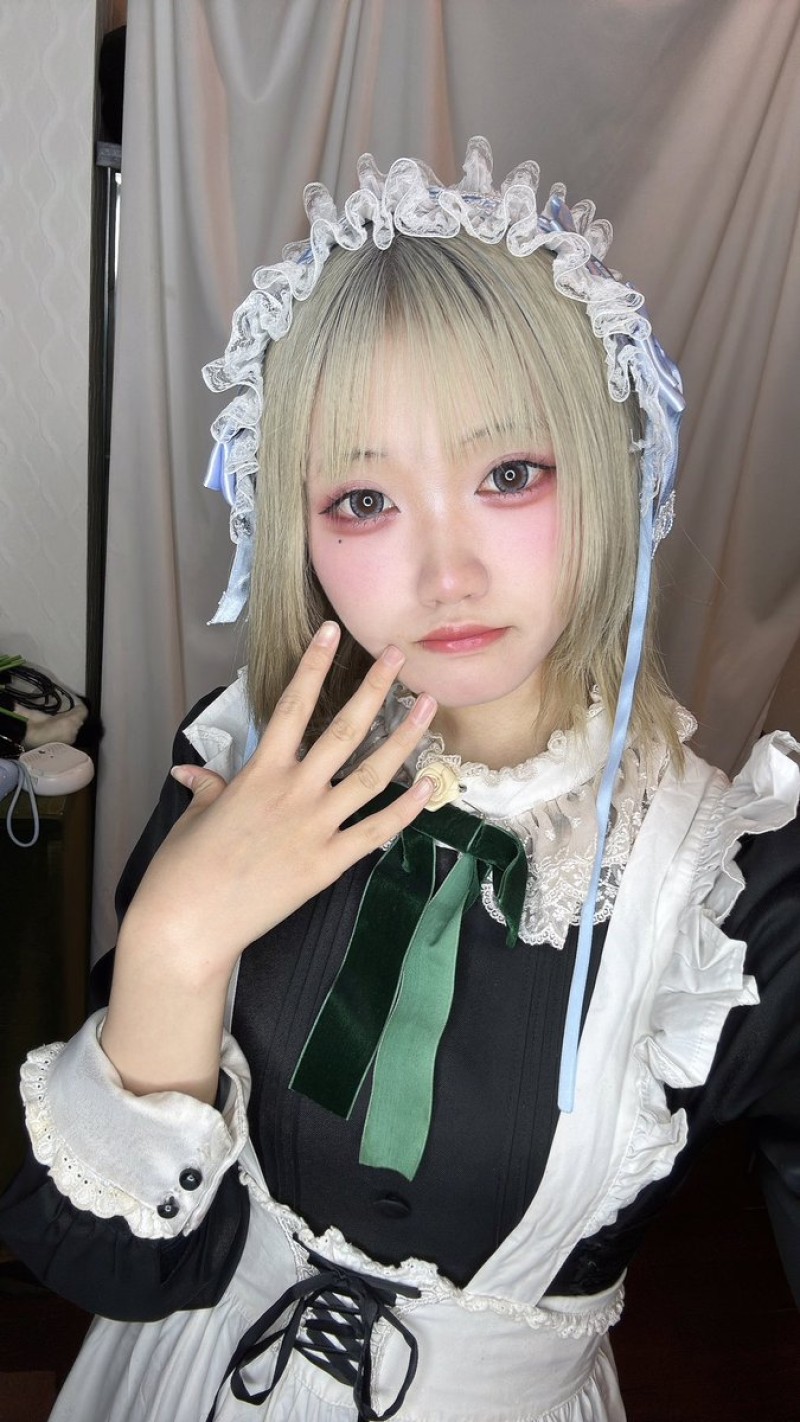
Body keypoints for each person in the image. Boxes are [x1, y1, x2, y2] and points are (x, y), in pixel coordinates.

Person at [1, 137, 799, 1422]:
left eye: (508, 475)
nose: (446, 574)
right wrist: (172, 946)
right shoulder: (241, 755)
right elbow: (120, 1266)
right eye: (363, 500)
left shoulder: (738, 890)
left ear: (602, 470)